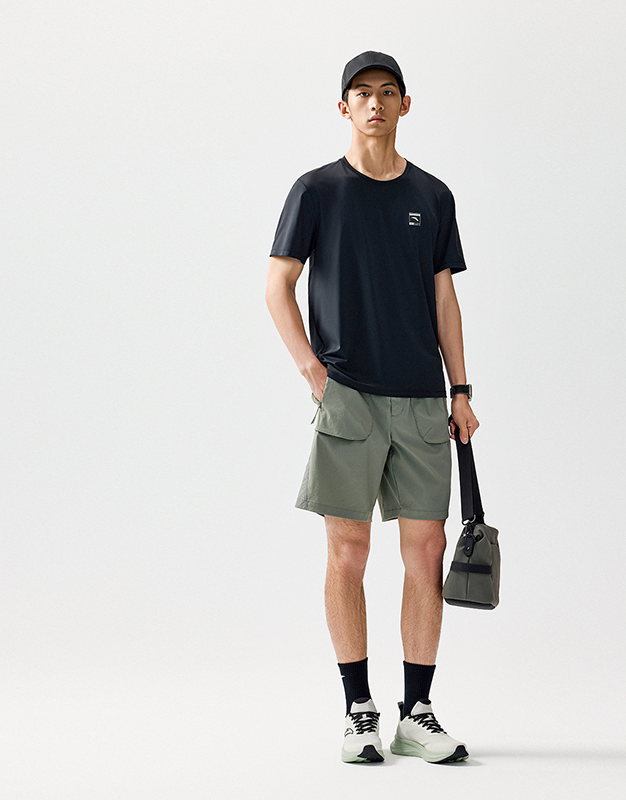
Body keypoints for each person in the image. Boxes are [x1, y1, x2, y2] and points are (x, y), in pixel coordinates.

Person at [265, 51, 479, 764]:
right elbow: (277, 286)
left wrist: (460, 389)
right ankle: (359, 710)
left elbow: (444, 297)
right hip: (349, 396)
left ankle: (417, 714)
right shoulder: (316, 190)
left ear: (405, 105)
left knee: (426, 551)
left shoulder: (433, 195)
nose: (375, 103)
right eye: (362, 93)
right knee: (348, 552)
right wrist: (313, 372)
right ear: (344, 107)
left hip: (421, 399)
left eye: (388, 93)